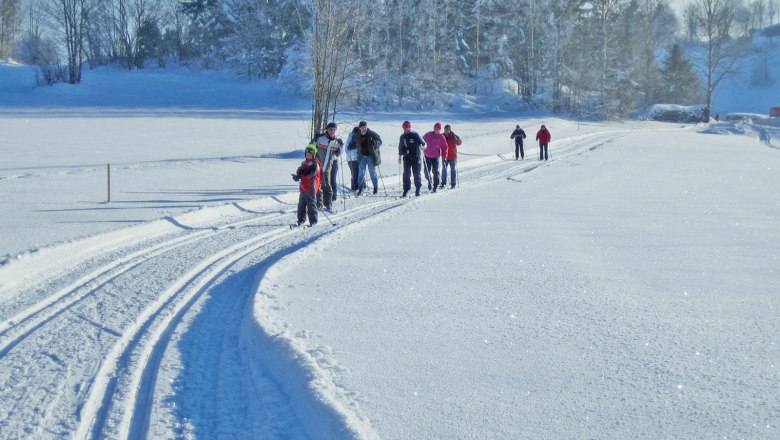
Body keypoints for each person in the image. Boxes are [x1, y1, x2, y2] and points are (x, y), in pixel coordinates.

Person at [314, 122, 343, 211]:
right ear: (327, 129)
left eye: (334, 130)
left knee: (327, 184)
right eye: (331, 129)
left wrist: (340, 147)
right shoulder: (320, 138)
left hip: (327, 166)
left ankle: (328, 203)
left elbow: (339, 154)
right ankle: (319, 203)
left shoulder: (336, 142)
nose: (332, 131)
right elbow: (311, 148)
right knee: (317, 185)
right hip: (317, 166)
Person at [292, 144, 321, 226]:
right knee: (301, 204)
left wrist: (305, 173)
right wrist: (297, 177)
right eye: (307, 154)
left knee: (311, 204)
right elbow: (299, 171)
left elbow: (312, 173)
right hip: (303, 188)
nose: (308, 156)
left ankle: (313, 221)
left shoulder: (315, 164)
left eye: (310, 155)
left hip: (311, 187)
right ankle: (300, 220)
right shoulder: (303, 163)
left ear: (313, 155)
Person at [398, 121, 425, 197]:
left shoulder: (415, 134)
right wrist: (400, 156)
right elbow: (400, 146)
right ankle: (406, 190)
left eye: (408, 127)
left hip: (416, 157)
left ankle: (418, 189)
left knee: (416, 173)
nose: (406, 129)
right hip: (406, 157)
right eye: (405, 127)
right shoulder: (402, 136)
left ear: (410, 127)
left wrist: (423, 146)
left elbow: (423, 142)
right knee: (406, 174)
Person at [355, 120, 383, 196]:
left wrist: (375, 143)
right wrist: (351, 145)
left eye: (365, 127)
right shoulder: (357, 135)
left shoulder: (371, 134)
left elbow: (380, 141)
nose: (364, 128)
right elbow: (354, 142)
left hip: (371, 156)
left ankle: (375, 188)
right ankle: (360, 188)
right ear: (359, 128)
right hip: (362, 156)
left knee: (372, 173)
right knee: (361, 173)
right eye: (362, 127)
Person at [422, 122, 448, 192]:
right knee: (426, 172)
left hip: (435, 157)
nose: (436, 130)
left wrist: (444, 155)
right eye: (435, 128)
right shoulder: (428, 134)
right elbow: (421, 141)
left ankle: (435, 186)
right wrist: (422, 146)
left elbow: (444, 147)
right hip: (427, 156)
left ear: (440, 130)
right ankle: (429, 181)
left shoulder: (441, 137)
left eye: (438, 129)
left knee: (435, 172)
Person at [441, 124, 461, 189]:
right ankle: (443, 184)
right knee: (444, 170)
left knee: (453, 170)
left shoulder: (453, 136)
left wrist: (456, 140)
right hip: (445, 156)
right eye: (445, 130)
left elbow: (459, 143)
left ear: (450, 130)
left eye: (447, 130)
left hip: (453, 156)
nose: (446, 131)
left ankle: (453, 184)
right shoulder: (442, 136)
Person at [345, 125, 360, 190]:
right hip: (352, 158)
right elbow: (347, 148)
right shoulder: (351, 137)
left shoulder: (352, 137)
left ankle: (356, 186)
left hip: (355, 158)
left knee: (357, 172)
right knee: (355, 173)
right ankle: (355, 187)